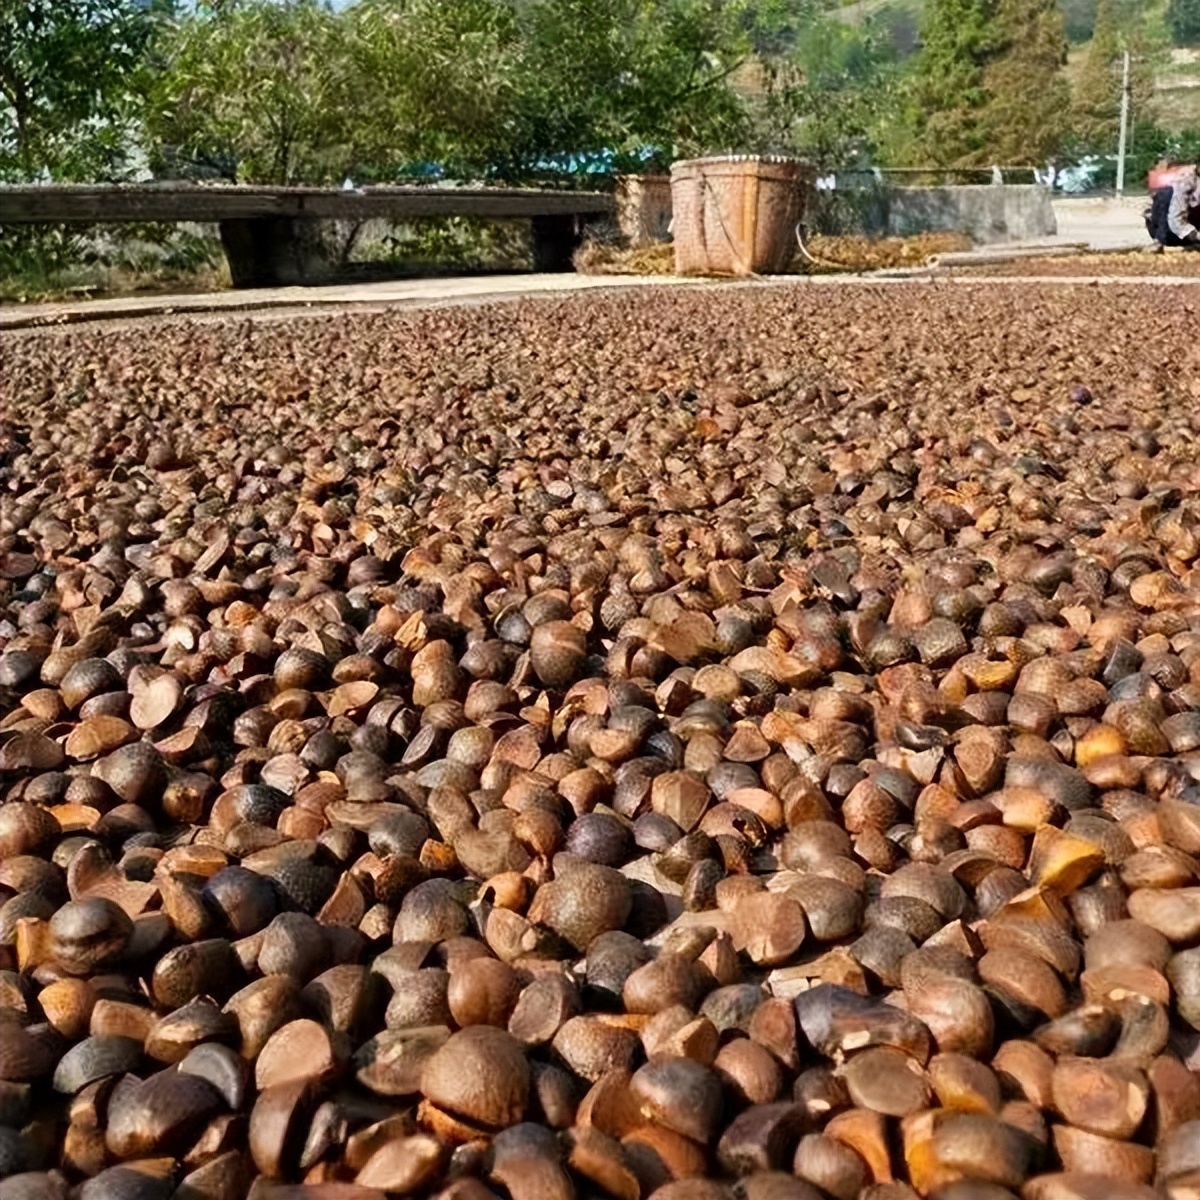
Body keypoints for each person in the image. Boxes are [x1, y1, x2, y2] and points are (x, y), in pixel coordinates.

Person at [1145, 160, 1200, 249]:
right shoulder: (1186, 179)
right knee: (1168, 238)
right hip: (1172, 224)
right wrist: (1195, 235)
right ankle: (1161, 238)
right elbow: (1176, 217)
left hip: (1191, 219)